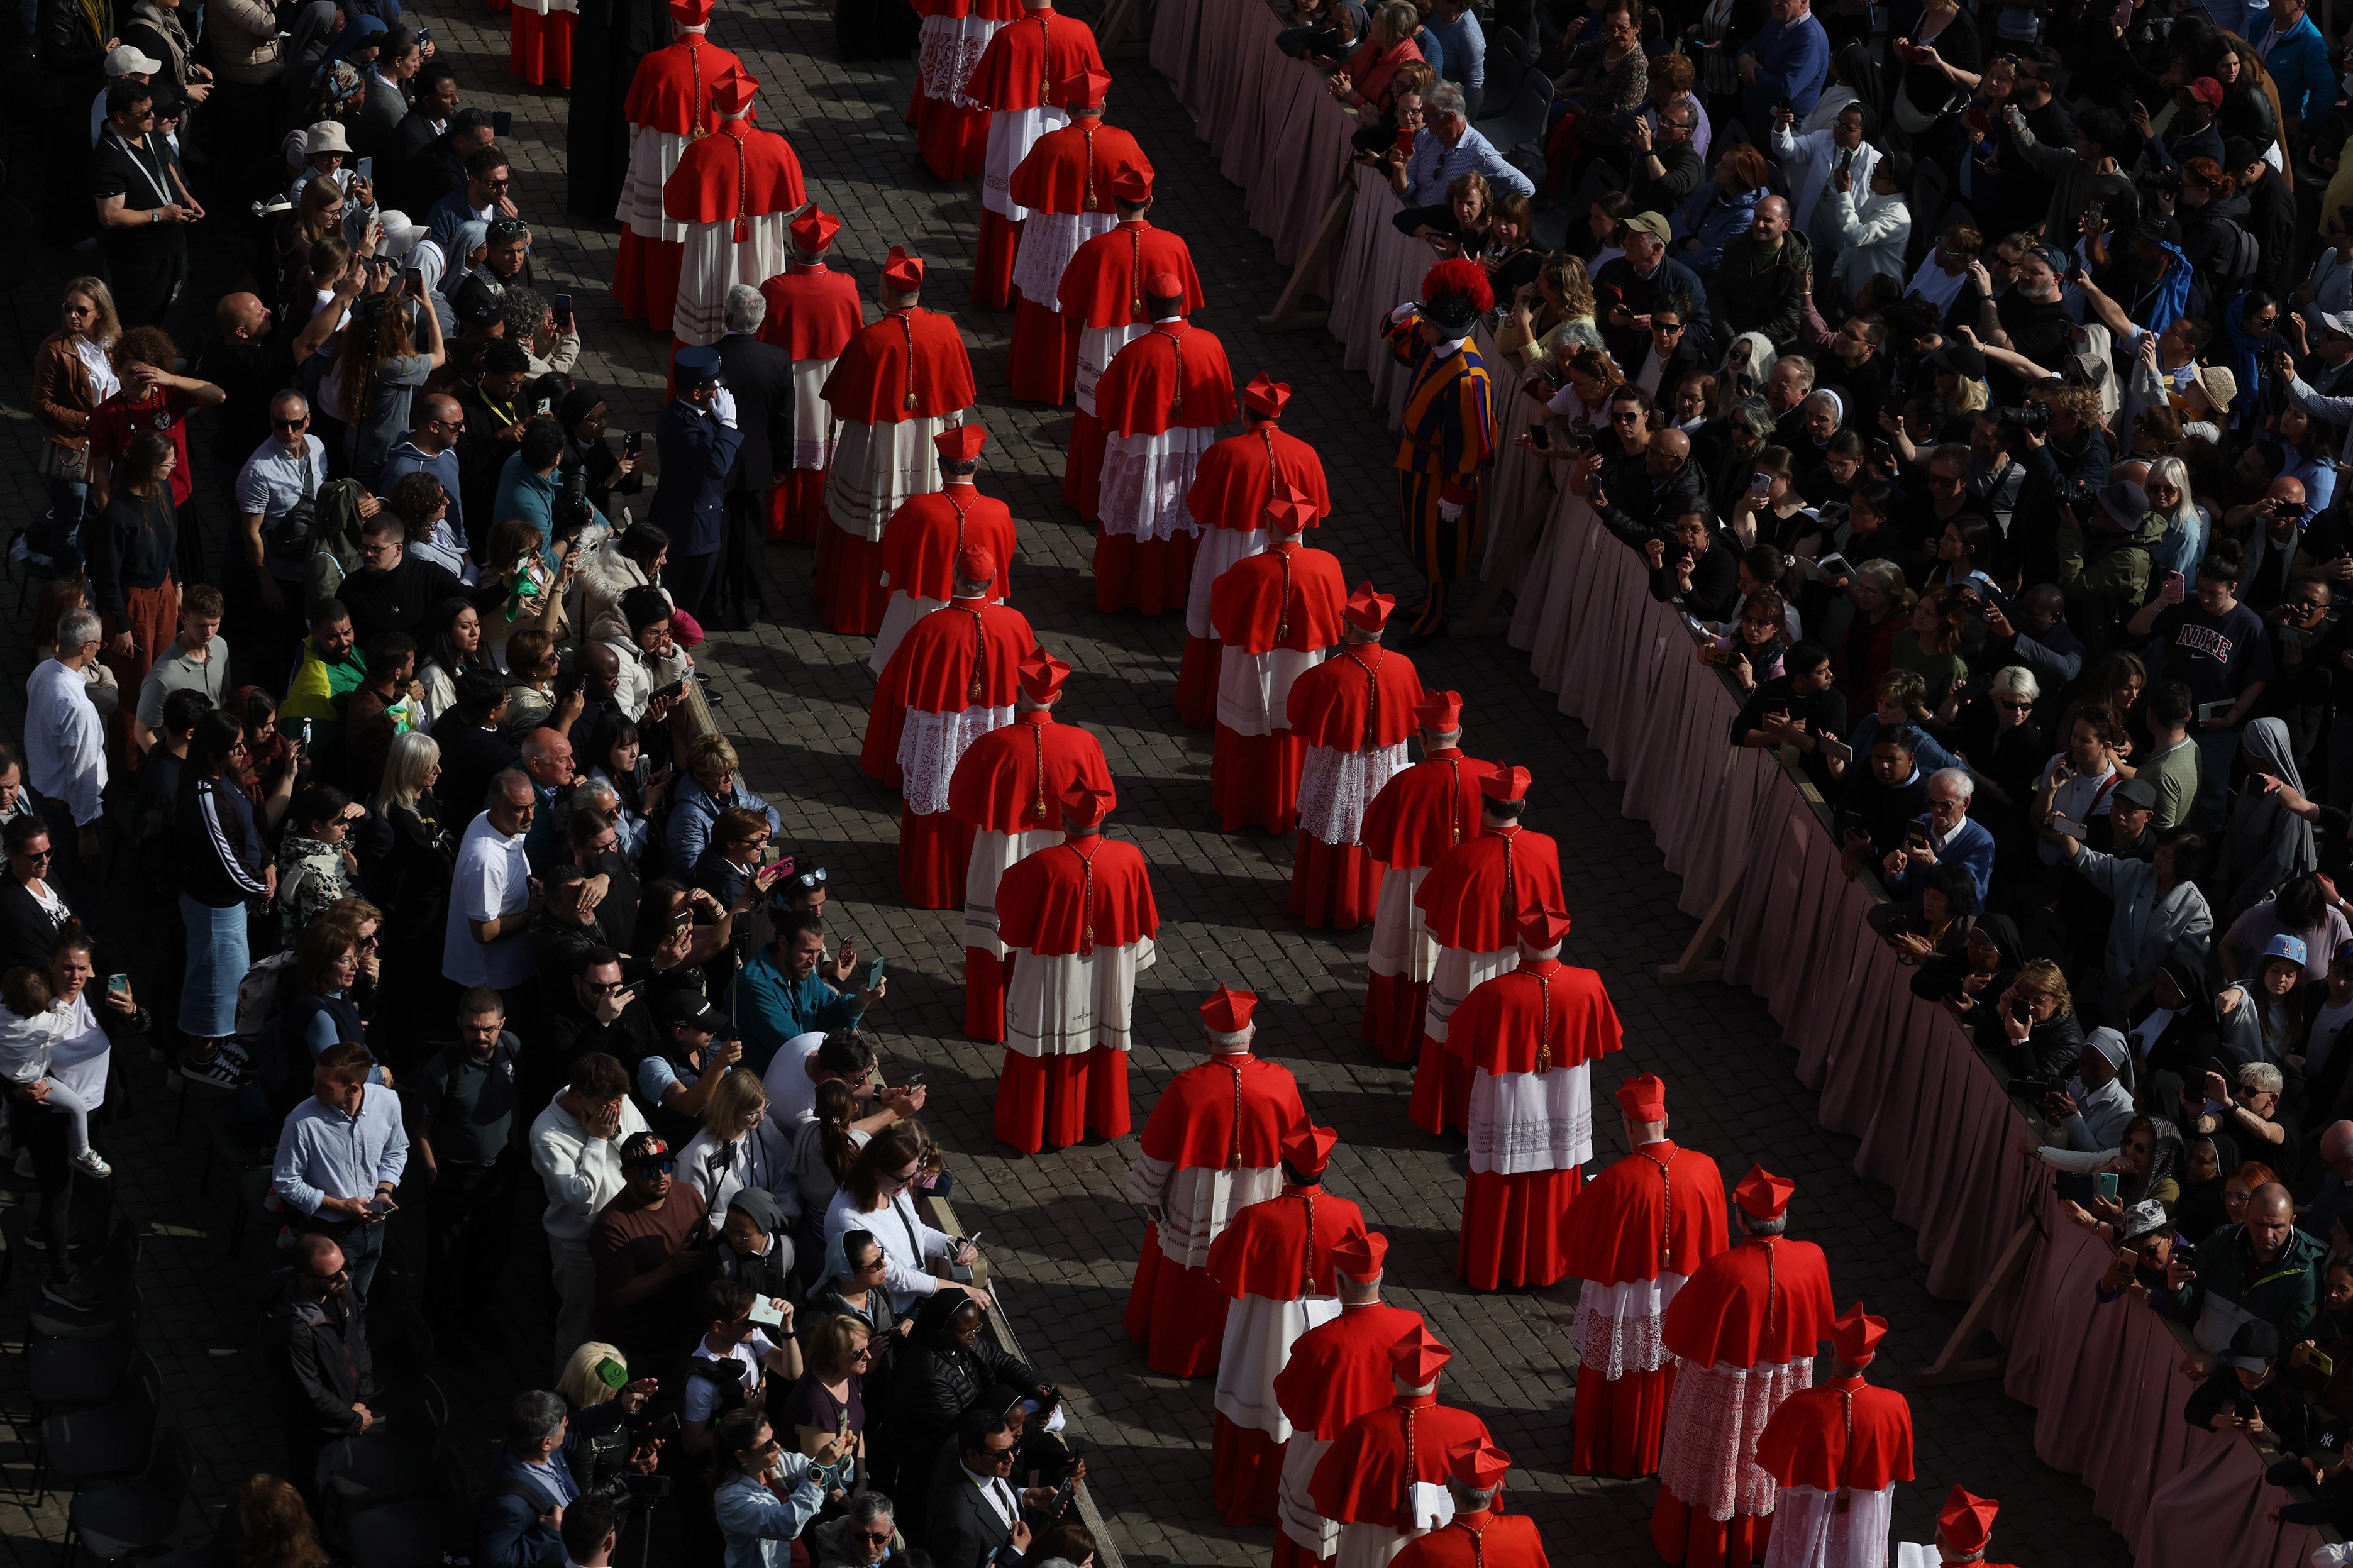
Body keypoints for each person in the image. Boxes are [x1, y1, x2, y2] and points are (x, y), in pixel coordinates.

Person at [1652, 1166, 1839, 1567]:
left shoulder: (1723, 1269)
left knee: (1718, 1454)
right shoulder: (1812, 1258)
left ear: (1740, 1218)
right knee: (1768, 1455)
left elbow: (1679, 1329)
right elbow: (1823, 1320)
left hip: (1725, 1385)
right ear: (1785, 1216)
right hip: (1784, 1384)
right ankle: (1761, 1537)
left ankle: (1704, 1541)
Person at [1124, 987, 1312, 1374]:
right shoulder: (1282, 1082)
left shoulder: (1188, 1087)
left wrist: (1150, 1196)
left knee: (1191, 1274)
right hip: (1260, 1193)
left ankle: (1183, 1352)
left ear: (1207, 1038)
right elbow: (1299, 1147)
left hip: (1198, 1195)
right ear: (1252, 1032)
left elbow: (1158, 1150)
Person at [1445, 903, 1622, 1283]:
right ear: (1560, 944)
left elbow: (1457, 1041)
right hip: (1564, 1100)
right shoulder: (1588, 984)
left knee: (1501, 1176)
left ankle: (1493, 1263)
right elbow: (1609, 1036)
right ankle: (1548, 1264)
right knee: (1555, 1177)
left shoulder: (1494, 993)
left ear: (1520, 945)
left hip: (1508, 1101)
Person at [1202, 1124, 1367, 1525]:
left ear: (1283, 1167)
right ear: (1324, 1168)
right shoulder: (1348, 1214)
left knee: (1258, 1395)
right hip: (1326, 1324)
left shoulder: (1257, 1218)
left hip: (1265, 1327)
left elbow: (1220, 1263)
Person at [947, 649, 1116, 1041]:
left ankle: (991, 1019)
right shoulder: (1083, 743)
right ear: (1057, 697)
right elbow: (1103, 801)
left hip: (1001, 850)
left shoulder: (994, 745)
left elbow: (959, 801)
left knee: (996, 930)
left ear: (1018, 691)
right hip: (1064, 850)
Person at [858, 544, 1038, 907]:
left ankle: (933, 885)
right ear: (991, 581)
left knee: (935, 801)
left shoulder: (931, 626)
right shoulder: (1015, 622)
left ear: (954, 575)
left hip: (939, 733)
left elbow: (897, 686)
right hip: (993, 730)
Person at [817, 250, 978, 635]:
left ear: (886, 292)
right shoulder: (946, 331)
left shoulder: (870, 340)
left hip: (877, 446)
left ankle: (859, 612)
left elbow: (841, 404)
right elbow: (958, 398)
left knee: (869, 518)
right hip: (929, 441)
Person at [993, 781, 1158, 1151]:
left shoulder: (1042, 865)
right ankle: (1102, 1119)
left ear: (1064, 822)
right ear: (1101, 821)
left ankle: (1036, 1125)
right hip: (1107, 972)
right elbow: (1142, 918)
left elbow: (1010, 910)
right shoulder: (1128, 857)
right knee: (1102, 1036)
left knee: (1044, 1042)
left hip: (1052, 974)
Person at [1410, 766, 1566, 1134]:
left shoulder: (1462, 856)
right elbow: (1555, 914)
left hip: (1466, 964)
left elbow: (1433, 921)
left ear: (1483, 806)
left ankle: (1451, 1113)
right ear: (1522, 805)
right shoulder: (1546, 848)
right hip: (1524, 962)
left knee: (1455, 1033)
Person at [1174, 374, 1332, 727]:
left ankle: (1211, 701)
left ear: (1245, 413)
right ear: (1279, 415)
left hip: (1230, 548)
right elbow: (1319, 509)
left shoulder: (1225, 453)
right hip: (1290, 551)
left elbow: (1198, 508)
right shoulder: (1305, 454)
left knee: (1222, 620)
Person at [1056, 170, 1202, 521]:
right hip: (1164, 348)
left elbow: (1069, 302)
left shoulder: (1095, 249)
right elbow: (1189, 301)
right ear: (1149, 202)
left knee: (1099, 417)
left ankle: (1091, 497)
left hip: (1105, 341)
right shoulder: (1175, 245)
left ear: (1114, 203)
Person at [1090, 271, 1238, 614]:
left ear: (1149, 307)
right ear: (1182, 303)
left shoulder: (1136, 352)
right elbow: (1225, 399)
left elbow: (1105, 401)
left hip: (1144, 447)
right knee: (1183, 508)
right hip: (1192, 445)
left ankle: (1130, 590)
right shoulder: (1210, 343)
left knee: (1140, 507)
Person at [1358, 692, 1495, 1059]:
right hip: (1469, 886)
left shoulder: (1406, 782)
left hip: (1413, 884)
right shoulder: (1488, 777)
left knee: (1408, 962)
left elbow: (1373, 838)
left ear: (1421, 737)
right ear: (1460, 731)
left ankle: (1403, 1040)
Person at [1002, 71, 1148, 405]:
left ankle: (1045, 381)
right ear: (1103, 106)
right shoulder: (1124, 142)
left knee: (1049, 306)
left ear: (1068, 107)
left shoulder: (1052, 143)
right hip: (1108, 237)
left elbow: (1020, 190)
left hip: (1055, 238)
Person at [1207, 494, 1348, 834]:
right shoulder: (1326, 565)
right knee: (1296, 725)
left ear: (1269, 525)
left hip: (1249, 670)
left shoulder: (1247, 570)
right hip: (1303, 665)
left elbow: (1222, 617)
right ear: (1302, 527)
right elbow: (1340, 618)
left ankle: (1242, 804)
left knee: (1248, 728)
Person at [609, 0, 745, 334]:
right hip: (713, 163)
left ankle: (650, 307)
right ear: (708, 24)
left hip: (661, 158)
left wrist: (636, 161)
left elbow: (636, 121)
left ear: (673, 25)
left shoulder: (654, 63)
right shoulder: (729, 62)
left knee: (655, 235)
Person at [962, 0, 1107, 309]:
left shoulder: (1009, 36)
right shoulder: (1080, 31)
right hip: (1066, 131)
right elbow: (1096, 89)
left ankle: (1004, 287)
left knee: (1011, 206)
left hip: (1015, 133)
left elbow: (981, 93)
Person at [1309, 1328, 1495, 1564]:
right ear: (1438, 1379)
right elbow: (1485, 1495)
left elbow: (1326, 1494)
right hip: (1445, 1538)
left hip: (1373, 1539)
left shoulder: (1363, 1429)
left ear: (1393, 1374)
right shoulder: (1470, 1426)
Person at [1751, 1303, 1914, 1568]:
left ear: (1831, 1352)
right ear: (1872, 1359)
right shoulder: (1895, 1405)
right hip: (1864, 1510)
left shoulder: (1801, 1405)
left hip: (1810, 1507)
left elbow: (1772, 1458)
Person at [1385, 260, 1495, 643]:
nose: (1421, 326)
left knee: (1440, 546)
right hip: (1415, 462)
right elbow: (1403, 342)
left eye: (1426, 322)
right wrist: (1401, 317)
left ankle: (1438, 613)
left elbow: (1473, 442)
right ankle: (1428, 599)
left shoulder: (1469, 378)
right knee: (1419, 537)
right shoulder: (1437, 345)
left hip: (1441, 476)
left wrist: (1457, 491)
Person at [415, 986, 523, 1357]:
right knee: (447, 1259)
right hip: (454, 1177)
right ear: (459, 1024)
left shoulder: (511, 1048)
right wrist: (434, 1179)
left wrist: (516, 1146)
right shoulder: (441, 1070)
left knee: (490, 1252)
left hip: (498, 1174)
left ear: (501, 1024)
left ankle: (476, 1316)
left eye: (489, 1028)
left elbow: (516, 1097)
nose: (482, 1037)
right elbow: (422, 1129)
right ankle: (441, 1330)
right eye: (473, 1029)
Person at [662, 74, 806, 350]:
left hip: (711, 245)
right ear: (751, 106)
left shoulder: (698, 152)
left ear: (715, 107)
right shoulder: (777, 146)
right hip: (761, 239)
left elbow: (676, 210)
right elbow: (793, 204)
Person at [867, 426, 1018, 677]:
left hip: (925, 601)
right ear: (978, 464)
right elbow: (1005, 555)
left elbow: (893, 548)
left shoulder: (919, 508)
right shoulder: (999, 512)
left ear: (941, 466)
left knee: (913, 667)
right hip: (981, 602)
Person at [532, 1052, 651, 1372]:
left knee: (623, 1322)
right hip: (580, 1251)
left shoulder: (615, 1102)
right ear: (580, 1094)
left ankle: (615, 1394)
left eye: (620, 1103)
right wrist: (597, 1141)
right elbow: (581, 1200)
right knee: (579, 1330)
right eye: (608, 1105)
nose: (616, 1110)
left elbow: (647, 1148)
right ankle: (569, 1406)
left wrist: (613, 1135)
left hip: (629, 1236)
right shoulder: (546, 1133)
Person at [272, 1043, 407, 1307]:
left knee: (358, 1301)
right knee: (329, 1306)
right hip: (330, 1234)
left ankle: (352, 1340)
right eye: (316, 1081)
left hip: (375, 1226)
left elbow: (396, 1150)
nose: (313, 1090)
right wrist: (340, 1206)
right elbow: (285, 1181)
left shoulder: (388, 1101)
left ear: (354, 1088)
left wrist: (384, 1191)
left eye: (324, 1086)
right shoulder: (302, 1122)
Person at [756, 207, 863, 544]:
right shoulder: (846, 287)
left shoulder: (775, 289)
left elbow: (759, 340)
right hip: (830, 379)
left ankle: (778, 521)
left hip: (786, 379)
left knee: (786, 442)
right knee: (823, 449)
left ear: (792, 242)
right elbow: (855, 339)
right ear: (829, 248)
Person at [824, 1122, 987, 1321]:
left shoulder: (892, 1187)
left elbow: (916, 1230)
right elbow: (894, 1278)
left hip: (915, 1301)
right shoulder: (851, 1221)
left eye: (912, 1174)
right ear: (876, 1171)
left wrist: (954, 1245)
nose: (909, 1184)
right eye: (903, 1179)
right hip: (893, 1312)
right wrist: (960, 1289)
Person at [707, 287, 797, 628]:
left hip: (718, 464)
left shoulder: (709, 357)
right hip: (758, 466)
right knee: (751, 541)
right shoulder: (777, 360)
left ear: (726, 317)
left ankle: (713, 605)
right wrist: (781, 466)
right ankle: (748, 607)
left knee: (717, 537)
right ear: (760, 323)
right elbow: (784, 419)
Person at [264, 1232, 380, 1498]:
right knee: (313, 1485)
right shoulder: (293, 1328)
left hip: (349, 1410)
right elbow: (309, 1392)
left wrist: (362, 1397)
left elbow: (359, 1340)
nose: (345, 1277)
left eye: (343, 1268)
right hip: (316, 1428)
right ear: (305, 1278)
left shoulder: (339, 1289)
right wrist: (353, 1419)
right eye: (334, 1275)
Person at [26, 607, 111, 922]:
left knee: (61, 880)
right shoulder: (79, 707)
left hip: (45, 797)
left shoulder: (43, 672)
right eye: (99, 643)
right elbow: (82, 773)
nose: (101, 648)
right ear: (86, 647)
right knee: (84, 894)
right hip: (72, 813)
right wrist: (86, 830)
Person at [445, 768, 540, 1004]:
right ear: (496, 808)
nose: (530, 815)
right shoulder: (485, 862)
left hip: (511, 972)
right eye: (520, 809)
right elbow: (484, 931)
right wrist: (533, 912)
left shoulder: (493, 820)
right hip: (494, 984)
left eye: (532, 805)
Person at [925, 1406, 1059, 1568]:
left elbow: (990, 1494)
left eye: (1013, 1448)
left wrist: (1023, 1497)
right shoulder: (959, 1523)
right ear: (973, 1455)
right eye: (1002, 1454)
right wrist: (1015, 1553)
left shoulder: (977, 1460)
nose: (1011, 1459)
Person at [681, 1278, 802, 1454]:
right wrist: (750, 1414)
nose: (755, 1325)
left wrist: (786, 1327)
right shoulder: (700, 1383)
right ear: (719, 1327)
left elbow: (793, 1372)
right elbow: (693, 1443)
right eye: (748, 1322)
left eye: (754, 1317)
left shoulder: (749, 1336)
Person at [711, 1406, 831, 1567]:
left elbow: (808, 1467)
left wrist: (840, 1458)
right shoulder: (731, 1499)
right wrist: (818, 1470)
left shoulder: (774, 1462)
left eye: (774, 1437)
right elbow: (786, 1524)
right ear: (742, 1455)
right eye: (768, 1445)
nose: (777, 1446)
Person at [479, 1390, 580, 1568]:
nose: (568, 1426)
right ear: (546, 1443)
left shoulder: (532, 1446)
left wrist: (619, 1408)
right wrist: (548, 1534)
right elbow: (496, 1559)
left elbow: (581, 1426)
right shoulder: (511, 1504)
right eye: (564, 1426)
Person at [130, 586, 229, 758]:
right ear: (183, 618)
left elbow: (222, 697)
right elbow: (142, 732)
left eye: (214, 624)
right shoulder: (163, 678)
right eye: (201, 625)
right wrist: (169, 767)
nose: (209, 633)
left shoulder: (221, 646)